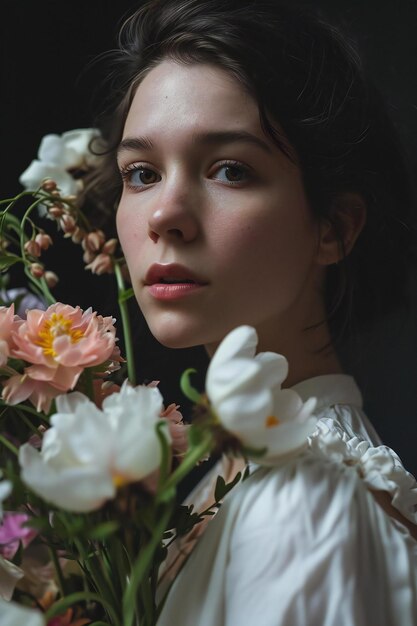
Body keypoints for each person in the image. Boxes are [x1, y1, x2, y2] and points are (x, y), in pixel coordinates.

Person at [89, 0, 417, 623]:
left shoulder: (304, 507)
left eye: (230, 169)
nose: (164, 215)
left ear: (334, 227)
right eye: (141, 173)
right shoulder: (249, 474)